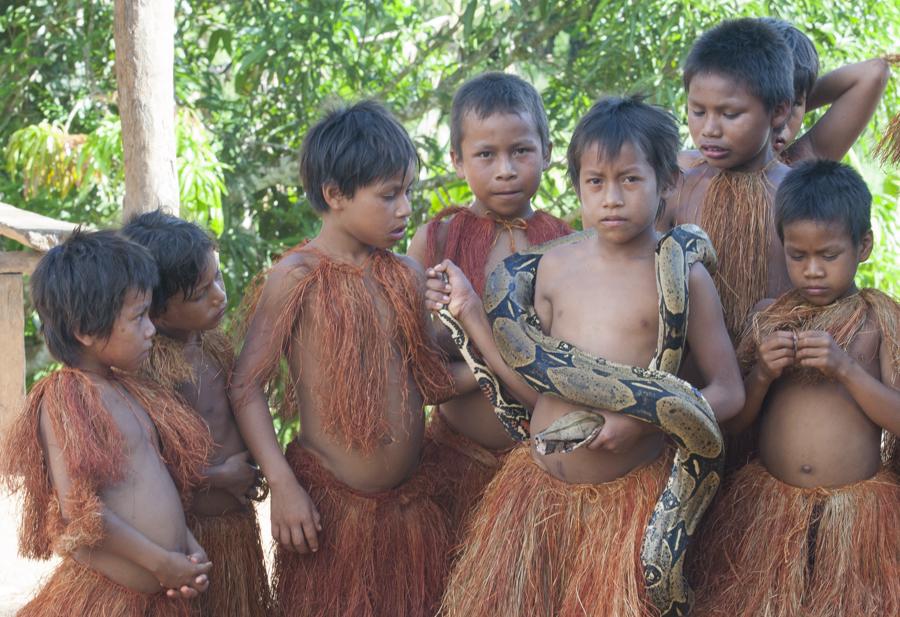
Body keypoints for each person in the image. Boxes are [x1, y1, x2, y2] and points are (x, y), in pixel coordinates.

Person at [429, 96, 743, 617]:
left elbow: (728, 391)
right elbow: (535, 388)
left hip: (627, 507)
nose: (611, 198)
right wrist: (471, 319)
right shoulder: (552, 270)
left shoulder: (687, 277)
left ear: (666, 183)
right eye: (595, 182)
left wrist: (642, 424)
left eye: (630, 180)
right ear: (577, 187)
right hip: (534, 498)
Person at [229, 101, 496, 617]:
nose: (405, 209)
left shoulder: (406, 276)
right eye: (389, 195)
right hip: (329, 513)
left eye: (408, 193)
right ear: (335, 194)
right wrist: (282, 484)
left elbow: (429, 381)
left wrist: (499, 370)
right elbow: (244, 388)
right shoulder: (297, 277)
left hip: (411, 513)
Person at [692, 159, 900, 617]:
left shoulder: (878, 321)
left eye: (829, 255)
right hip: (770, 511)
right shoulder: (769, 315)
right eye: (798, 255)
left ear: (863, 245)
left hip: (855, 514)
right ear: (781, 245)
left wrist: (846, 369)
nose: (812, 271)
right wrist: (762, 375)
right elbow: (736, 424)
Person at [0, 230, 213, 616]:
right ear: (85, 330)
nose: (151, 328)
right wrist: (160, 563)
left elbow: (152, 480)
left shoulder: (128, 388)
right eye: (137, 318)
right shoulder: (69, 396)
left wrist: (185, 545)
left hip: (161, 592)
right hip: (114, 599)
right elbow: (81, 514)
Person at [407, 71, 571, 538]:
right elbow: (416, 365)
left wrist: (481, 368)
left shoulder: (565, 242)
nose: (505, 169)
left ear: (547, 150)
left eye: (521, 151)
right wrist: (496, 372)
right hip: (454, 463)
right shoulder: (438, 238)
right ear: (458, 161)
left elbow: (567, 365)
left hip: (540, 470)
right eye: (486, 155)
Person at [123, 210, 274, 617]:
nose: (219, 295)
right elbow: (146, 466)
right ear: (157, 311)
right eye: (200, 292)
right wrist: (218, 477)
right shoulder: (150, 368)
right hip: (192, 536)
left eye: (218, 279)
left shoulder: (215, 346)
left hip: (237, 528)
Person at [659, 18, 794, 340]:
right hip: (688, 374)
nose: (710, 129)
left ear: (778, 112)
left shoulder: (797, 193)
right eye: (698, 111)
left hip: (780, 367)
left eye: (730, 114)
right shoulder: (676, 185)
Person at [760, 17, 891, 165]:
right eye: (768, 102)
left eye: (794, 104)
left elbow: (873, 73)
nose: (781, 122)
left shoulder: (794, 167)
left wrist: (801, 96)